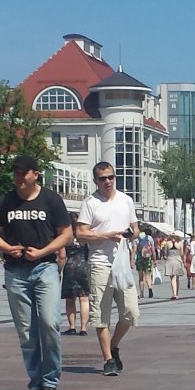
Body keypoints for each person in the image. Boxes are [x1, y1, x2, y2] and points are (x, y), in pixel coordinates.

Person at [0, 154, 72, 390]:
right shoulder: (6, 201)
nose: (19, 178)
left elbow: (66, 234)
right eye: (16, 173)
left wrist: (44, 251)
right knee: (26, 331)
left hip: (45, 267)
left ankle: (50, 382)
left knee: (49, 322)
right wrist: (7, 248)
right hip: (16, 271)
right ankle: (36, 384)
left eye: (24, 173)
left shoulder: (51, 200)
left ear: (36, 174)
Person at [75, 161, 141, 377]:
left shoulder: (126, 200)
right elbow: (80, 233)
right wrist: (106, 235)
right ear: (95, 181)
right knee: (100, 314)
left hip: (122, 263)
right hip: (100, 263)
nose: (107, 181)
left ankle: (113, 345)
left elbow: (136, 229)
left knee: (130, 312)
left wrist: (131, 234)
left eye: (111, 177)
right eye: (102, 178)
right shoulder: (90, 203)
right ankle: (108, 360)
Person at [61, 229, 91, 335]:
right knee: (84, 299)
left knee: (70, 299)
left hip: (70, 267)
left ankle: (72, 327)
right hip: (84, 266)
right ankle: (83, 328)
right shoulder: (85, 237)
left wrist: (58, 270)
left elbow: (62, 256)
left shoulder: (67, 237)